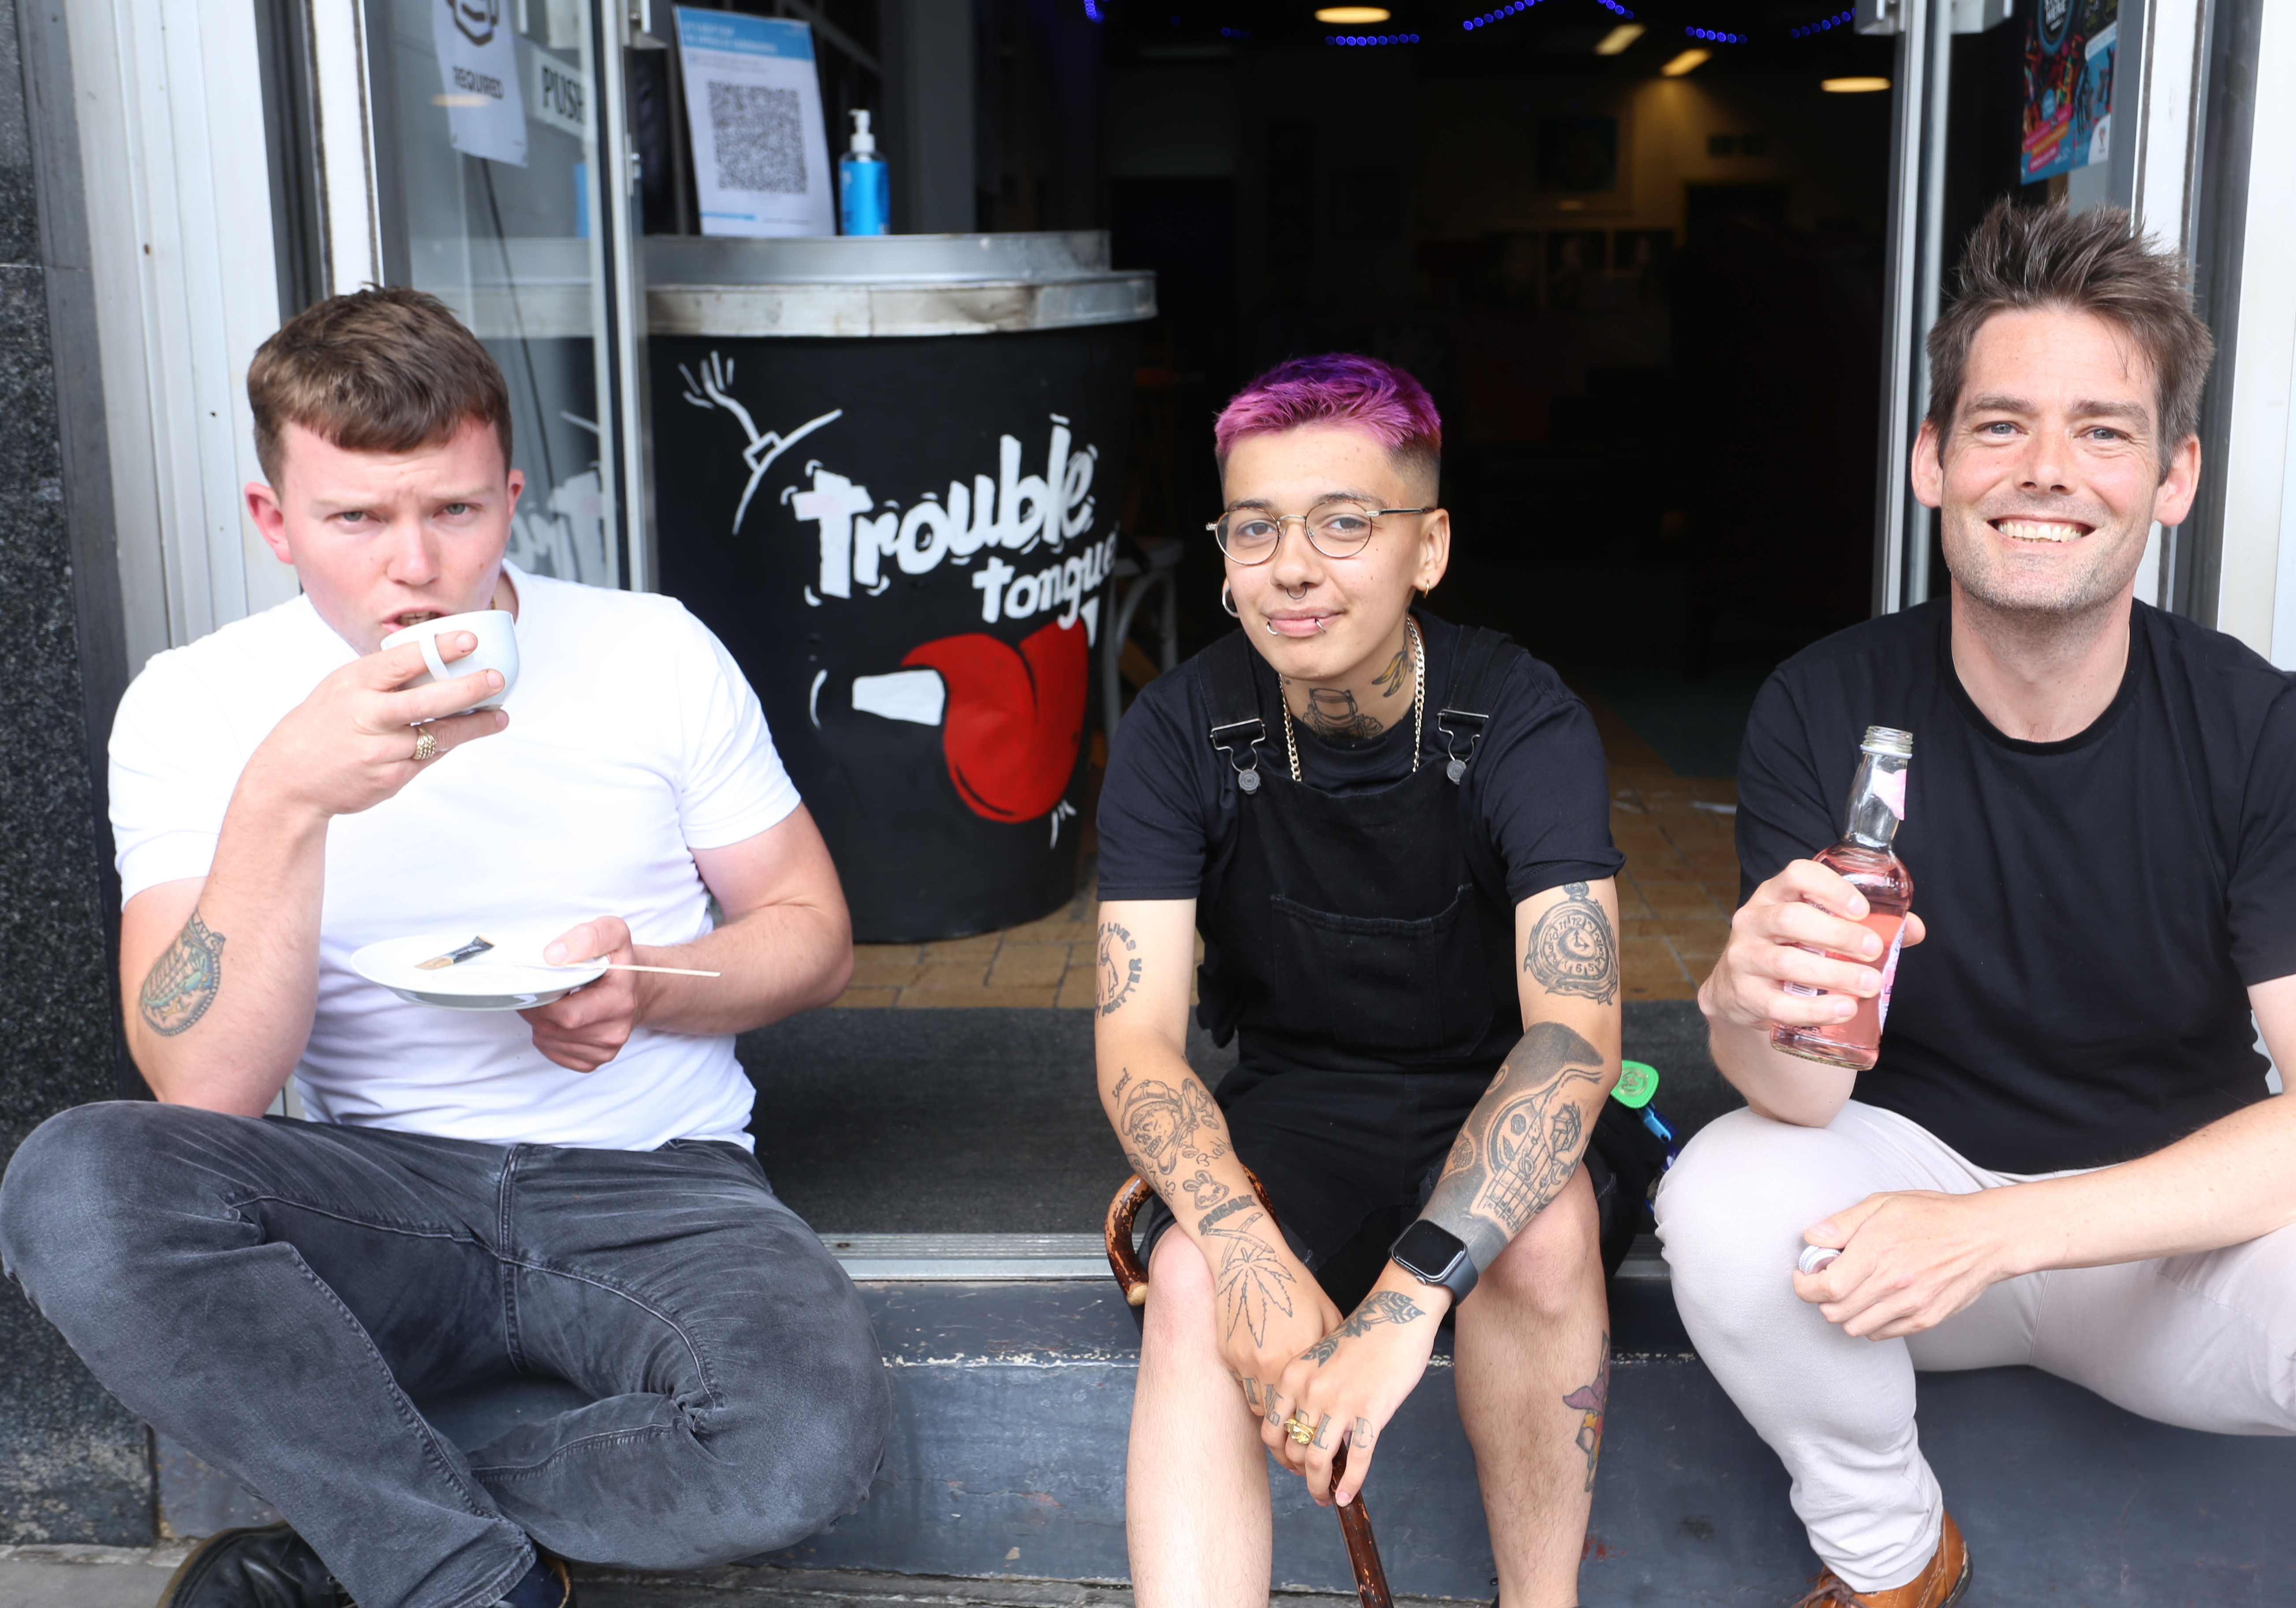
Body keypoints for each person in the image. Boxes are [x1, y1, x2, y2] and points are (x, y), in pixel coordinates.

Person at [0, 288, 890, 1608]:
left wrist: (651, 986)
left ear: (512, 497)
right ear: (276, 523)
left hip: (665, 1186)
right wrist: (285, 798)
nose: (413, 568)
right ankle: (476, 1585)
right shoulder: (195, 705)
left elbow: (814, 942)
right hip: (373, 1193)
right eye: (357, 519)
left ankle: (375, 1544)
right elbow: (208, 1090)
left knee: (796, 1452)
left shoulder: (654, 652)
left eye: (454, 512)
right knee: (76, 1177)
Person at [1657, 201, 2296, 1608]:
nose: (2047, 471)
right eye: (2000, 426)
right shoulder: (1828, 703)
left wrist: (2009, 1229)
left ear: (2174, 477)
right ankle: (1892, 1560)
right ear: (1931, 460)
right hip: (1902, 1229)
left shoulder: (2263, 729)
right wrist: (1734, 1004)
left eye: (2105, 431)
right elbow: (1803, 1101)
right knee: (1723, 1188)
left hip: (2166, 1254)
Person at [1092, 354, 1666, 1608]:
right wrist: (1243, 1245)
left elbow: (1572, 1035)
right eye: (1257, 528)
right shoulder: (1179, 728)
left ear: (1432, 546)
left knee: (1546, 1231)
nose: (1294, 567)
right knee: (1193, 1272)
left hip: (1501, 1084)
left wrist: (1405, 1309)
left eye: (1346, 523)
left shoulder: (1520, 716)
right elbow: (1137, 1040)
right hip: (1304, 1098)